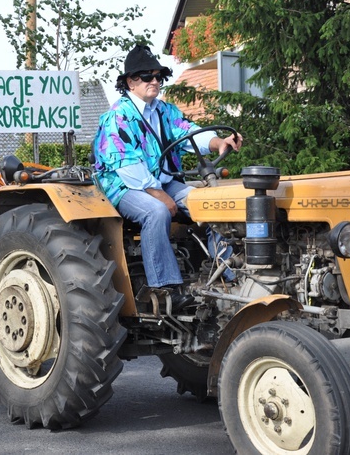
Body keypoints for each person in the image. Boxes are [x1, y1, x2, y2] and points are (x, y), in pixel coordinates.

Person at [92, 44, 242, 311]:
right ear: (130, 81)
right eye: (147, 76)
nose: (154, 81)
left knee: (212, 205)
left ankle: (232, 277)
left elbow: (189, 132)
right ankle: (165, 288)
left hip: (162, 181)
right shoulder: (117, 116)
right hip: (123, 186)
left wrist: (218, 141)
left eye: (158, 76)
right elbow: (127, 166)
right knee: (156, 213)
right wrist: (158, 194)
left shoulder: (164, 111)